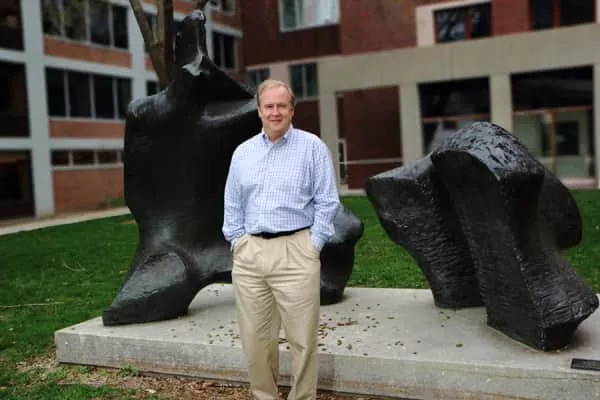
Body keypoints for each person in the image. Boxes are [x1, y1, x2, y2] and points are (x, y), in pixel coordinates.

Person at [222, 79, 340, 400]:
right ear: (259, 111)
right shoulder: (243, 153)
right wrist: (238, 242)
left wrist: (313, 245)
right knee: (255, 341)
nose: (275, 112)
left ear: (292, 110)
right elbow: (232, 203)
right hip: (250, 254)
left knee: (302, 340)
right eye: (269, 106)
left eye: (282, 106)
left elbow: (327, 201)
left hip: (296, 252)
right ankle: (265, 396)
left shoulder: (312, 147)